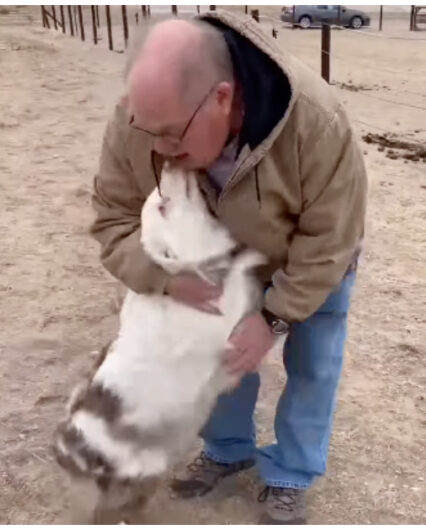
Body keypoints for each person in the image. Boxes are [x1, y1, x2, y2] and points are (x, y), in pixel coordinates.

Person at [90, 11, 366, 525]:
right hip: (220, 262)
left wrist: (275, 316)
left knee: (314, 363)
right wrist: (166, 280)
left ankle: (292, 472)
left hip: (308, 256)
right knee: (221, 360)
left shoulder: (317, 120)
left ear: (222, 97)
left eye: (172, 135)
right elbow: (113, 219)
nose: (158, 149)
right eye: (148, 131)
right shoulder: (142, 117)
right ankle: (227, 448)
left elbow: (329, 238)